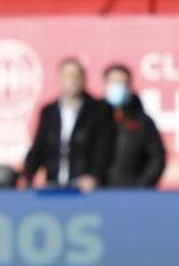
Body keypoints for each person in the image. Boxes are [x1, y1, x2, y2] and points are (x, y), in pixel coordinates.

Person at [23, 58, 113, 192]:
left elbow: (103, 149)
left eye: (77, 75)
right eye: (68, 75)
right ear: (59, 79)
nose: (73, 80)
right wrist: (27, 176)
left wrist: (94, 176)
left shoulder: (99, 110)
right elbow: (39, 147)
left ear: (84, 79)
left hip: (85, 188)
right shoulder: (49, 111)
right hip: (54, 184)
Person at [102, 63, 166, 187]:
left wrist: (142, 185)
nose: (118, 87)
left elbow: (157, 157)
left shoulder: (143, 121)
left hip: (133, 191)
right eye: (114, 82)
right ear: (105, 84)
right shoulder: (93, 117)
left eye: (123, 83)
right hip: (97, 192)